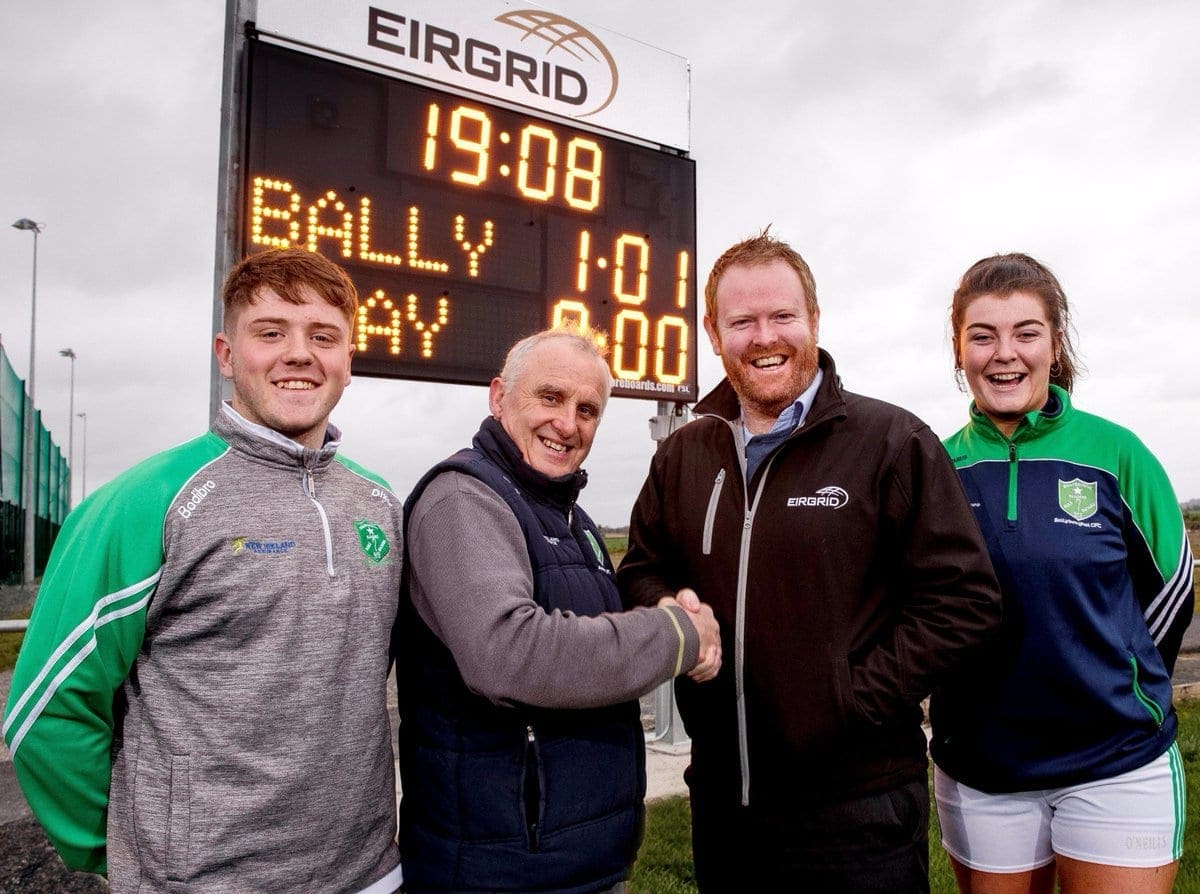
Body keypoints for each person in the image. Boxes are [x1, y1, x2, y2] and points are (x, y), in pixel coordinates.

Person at [3, 248, 404, 894]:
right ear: (225, 354)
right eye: (270, 332)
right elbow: (46, 709)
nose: (299, 353)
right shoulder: (146, 502)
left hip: (369, 876)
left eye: (323, 336)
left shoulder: (381, 504)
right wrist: (126, 850)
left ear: (348, 360)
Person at [617, 229, 1003, 892]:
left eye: (782, 317)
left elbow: (965, 601)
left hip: (858, 817)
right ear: (714, 333)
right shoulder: (684, 453)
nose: (764, 337)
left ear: (814, 321)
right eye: (742, 321)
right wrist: (668, 611)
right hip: (723, 808)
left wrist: (850, 698)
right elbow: (641, 567)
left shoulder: (890, 441)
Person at [397, 324, 722, 894]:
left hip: (581, 864)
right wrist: (677, 635)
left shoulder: (573, 518)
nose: (568, 424)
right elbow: (508, 653)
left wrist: (673, 609)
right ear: (500, 396)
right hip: (499, 874)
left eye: (588, 409)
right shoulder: (463, 499)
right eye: (550, 398)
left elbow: (603, 631)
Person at [928, 253, 1195, 894]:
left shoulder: (1117, 454)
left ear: (1055, 343)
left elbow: (1173, 593)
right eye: (982, 335)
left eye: (1026, 332)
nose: (1004, 354)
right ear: (958, 349)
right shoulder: (934, 466)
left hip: (1116, 762)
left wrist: (1104, 677)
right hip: (982, 771)